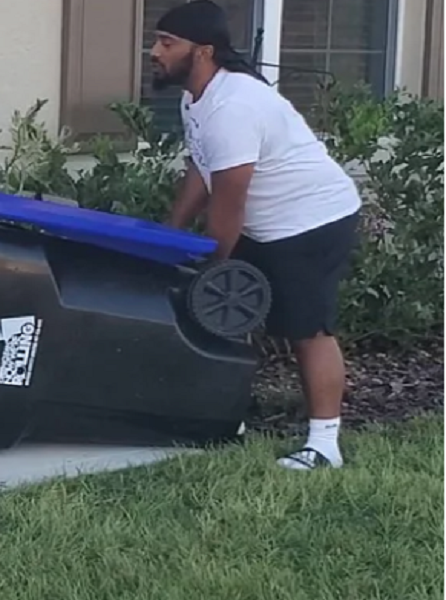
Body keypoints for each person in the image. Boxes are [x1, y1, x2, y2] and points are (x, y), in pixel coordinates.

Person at [149, 0, 362, 470]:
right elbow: (200, 170)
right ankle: (226, 418)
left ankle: (324, 444)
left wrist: (212, 265)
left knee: (308, 328)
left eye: (167, 43)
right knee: (227, 314)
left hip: (313, 221)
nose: (154, 51)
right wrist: (170, 236)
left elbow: (229, 202)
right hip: (264, 221)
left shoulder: (235, 106)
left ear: (202, 51)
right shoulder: (196, 98)